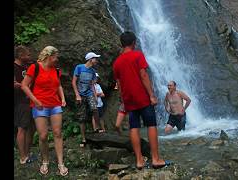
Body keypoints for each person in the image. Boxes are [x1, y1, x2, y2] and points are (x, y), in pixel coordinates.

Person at [113, 31, 170, 169]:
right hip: (142, 96)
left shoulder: (117, 62)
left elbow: (119, 84)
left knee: (134, 127)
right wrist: (151, 95)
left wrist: (123, 100)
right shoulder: (138, 55)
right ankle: (155, 159)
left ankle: (139, 161)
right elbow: (143, 75)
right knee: (151, 124)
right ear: (134, 43)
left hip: (129, 99)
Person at [21, 46, 68, 176]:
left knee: (58, 133)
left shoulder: (55, 70)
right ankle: (45, 160)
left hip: (55, 105)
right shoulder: (34, 67)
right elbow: (24, 86)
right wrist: (35, 100)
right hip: (39, 106)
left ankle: (60, 163)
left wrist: (62, 98)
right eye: (56, 57)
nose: (57, 59)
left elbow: (58, 85)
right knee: (43, 136)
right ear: (49, 56)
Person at [72, 52, 100, 147]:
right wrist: (77, 95)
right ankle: (83, 138)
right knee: (82, 118)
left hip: (89, 93)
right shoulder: (79, 67)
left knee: (95, 109)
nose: (96, 60)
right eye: (95, 58)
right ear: (90, 59)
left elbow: (92, 84)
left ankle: (97, 127)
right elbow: (74, 82)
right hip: (80, 94)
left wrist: (95, 96)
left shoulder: (92, 71)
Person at [14, 45, 36, 164]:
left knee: (31, 128)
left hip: (30, 101)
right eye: (27, 54)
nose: (29, 56)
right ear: (20, 56)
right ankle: (23, 157)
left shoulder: (27, 66)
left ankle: (27, 153)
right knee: (21, 128)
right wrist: (24, 85)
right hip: (20, 102)